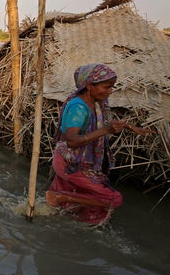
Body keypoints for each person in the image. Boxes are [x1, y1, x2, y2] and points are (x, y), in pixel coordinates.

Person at [46, 63, 155, 224]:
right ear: (89, 86)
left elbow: (104, 123)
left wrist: (130, 126)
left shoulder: (97, 103)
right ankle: (60, 198)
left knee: (65, 210)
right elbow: (71, 140)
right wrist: (106, 130)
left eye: (112, 87)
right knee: (113, 199)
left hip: (78, 160)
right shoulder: (78, 107)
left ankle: (60, 222)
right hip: (70, 161)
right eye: (106, 87)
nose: (110, 91)